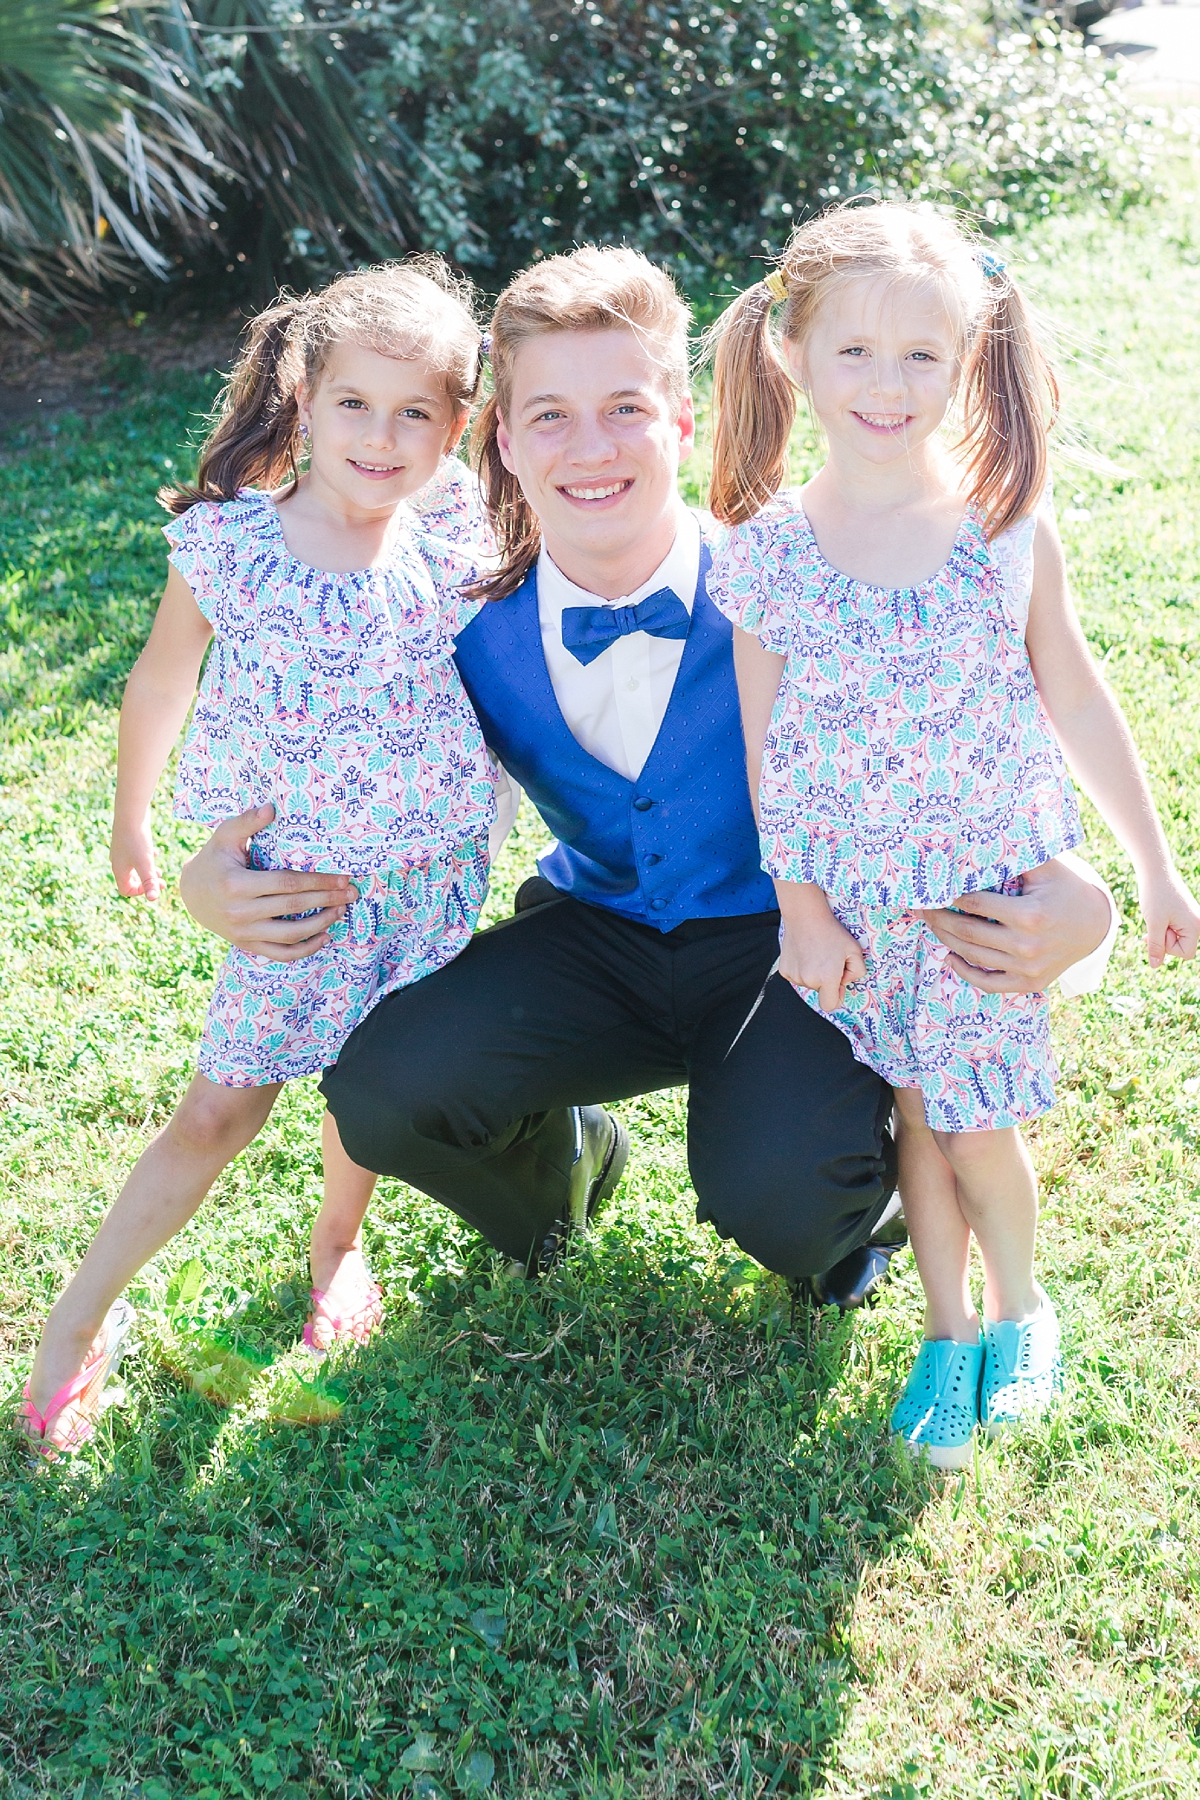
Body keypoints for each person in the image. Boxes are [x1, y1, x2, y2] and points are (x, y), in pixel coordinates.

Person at [176, 245, 1118, 1330]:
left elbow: (958, 755)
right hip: (597, 931)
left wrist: (1084, 904)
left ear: (681, 420)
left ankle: (848, 1215)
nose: (590, 449)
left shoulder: (795, 580)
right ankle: (561, 1176)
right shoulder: (457, 619)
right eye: (551, 417)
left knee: (782, 1199)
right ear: (501, 440)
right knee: (388, 1088)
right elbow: (348, 775)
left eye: (625, 408)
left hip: (793, 947)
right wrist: (216, 875)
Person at [705, 202, 1200, 1468]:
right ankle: (947, 1326)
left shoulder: (999, 525)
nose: (887, 385)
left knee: (977, 1125)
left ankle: (1026, 1303)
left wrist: (1152, 863)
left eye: (922, 355)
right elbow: (772, 751)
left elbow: (1075, 694)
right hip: (862, 908)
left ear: (968, 358)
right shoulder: (767, 552)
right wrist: (798, 901)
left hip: (983, 905)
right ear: (792, 355)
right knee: (920, 1115)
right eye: (855, 352)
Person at [19, 262, 496, 1455]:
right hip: (296, 895)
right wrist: (138, 820)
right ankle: (75, 1325)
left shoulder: (455, 536)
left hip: (434, 883)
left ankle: (340, 1243)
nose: (381, 439)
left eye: (416, 414)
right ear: (305, 391)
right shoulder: (233, 545)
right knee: (221, 1108)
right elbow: (160, 677)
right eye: (355, 405)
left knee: (370, 1089)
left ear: (457, 425)